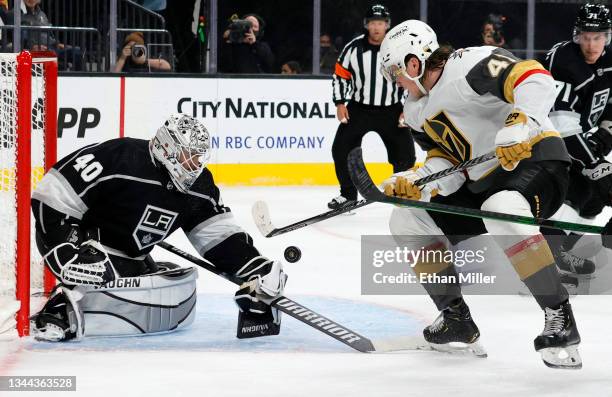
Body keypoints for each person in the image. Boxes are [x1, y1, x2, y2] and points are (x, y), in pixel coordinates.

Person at [379, 20, 581, 368]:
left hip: (537, 158)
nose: (394, 80)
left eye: (394, 71)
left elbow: (535, 78)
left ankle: (559, 316)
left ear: (414, 62)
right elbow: (448, 162)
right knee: (406, 219)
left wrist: (519, 124)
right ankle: (456, 319)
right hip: (481, 180)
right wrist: (418, 181)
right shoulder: (414, 110)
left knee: (500, 207)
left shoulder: (468, 65)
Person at [29, 114, 287, 342]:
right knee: (97, 267)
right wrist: (63, 245)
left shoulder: (200, 186)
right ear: (167, 148)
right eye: (189, 156)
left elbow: (217, 236)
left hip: (131, 257)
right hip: (79, 242)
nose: (195, 165)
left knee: (167, 287)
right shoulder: (122, 157)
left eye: (199, 157)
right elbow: (52, 194)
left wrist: (253, 267)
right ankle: (60, 305)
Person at [543, 2, 612, 278]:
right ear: (577, 36)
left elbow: (609, 104)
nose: (592, 45)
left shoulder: (608, 62)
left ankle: (562, 254)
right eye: (586, 37)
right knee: (574, 190)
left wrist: (606, 132)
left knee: (592, 197)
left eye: (598, 37)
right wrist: (596, 165)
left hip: (576, 141)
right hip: (542, 141)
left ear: (607, 37)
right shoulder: (564, 61)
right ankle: (545, 264)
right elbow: (561, 126)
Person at [328, 4, 415, 210]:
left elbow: (413, 78)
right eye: (373, 23)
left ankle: (405, 193)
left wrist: (407, 107)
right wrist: (340, 102)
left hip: (392, 110)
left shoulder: (398, 49)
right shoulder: (353, 48)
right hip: (359, 109)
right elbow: (341, 75)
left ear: (387, 25)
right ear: (367, 25)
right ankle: (348, 195)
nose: (377, 27)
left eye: (381, 23)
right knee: (341, 148)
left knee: (405, 153)